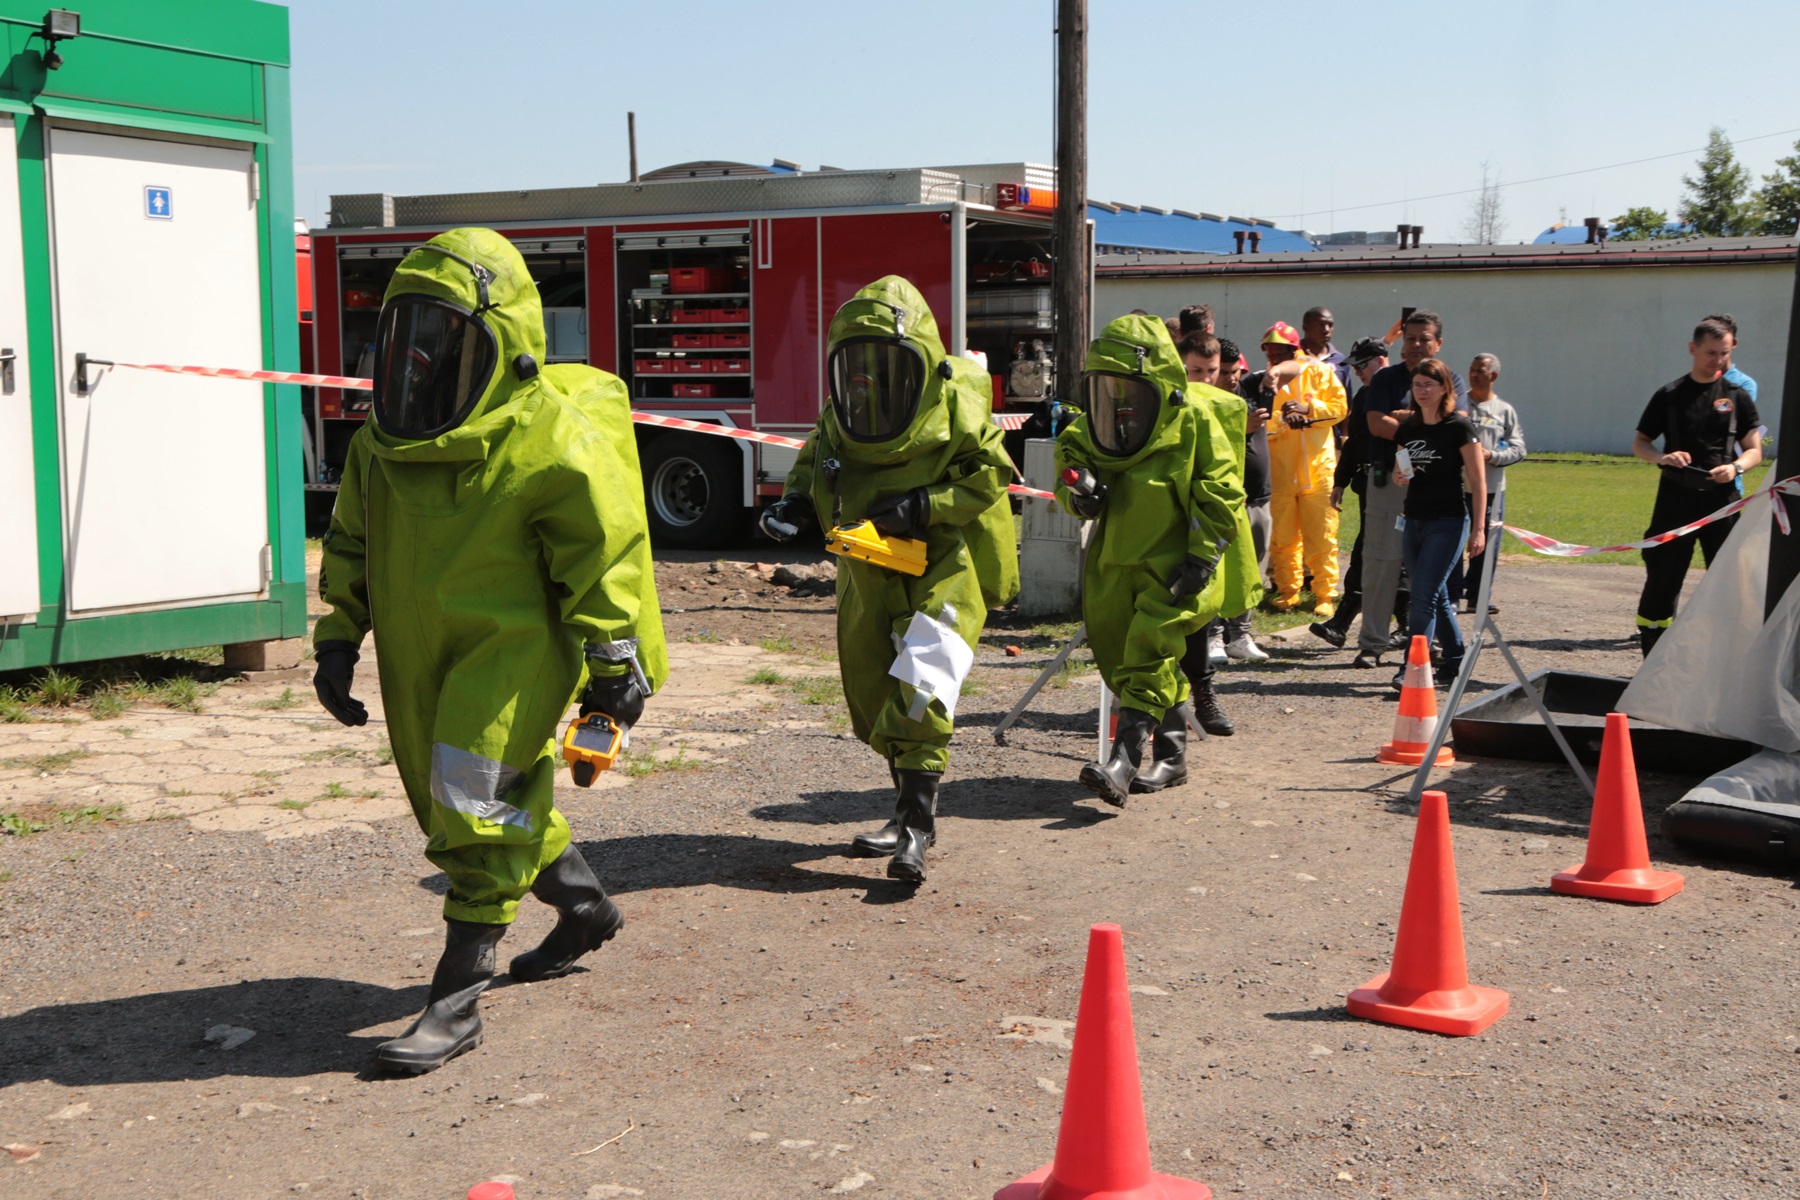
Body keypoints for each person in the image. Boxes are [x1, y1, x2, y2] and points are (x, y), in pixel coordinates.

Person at [312, 228, 668, 1074]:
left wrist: (615, 658)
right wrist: (337, 638)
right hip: (415, 651)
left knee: (474, 794)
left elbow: (604, 554)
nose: (423, 358)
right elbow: (353, 545)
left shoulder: (550, 442)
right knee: (460, 795)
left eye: (445, 337)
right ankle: (584, 911)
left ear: (503, 346)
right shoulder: (382, 445)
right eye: (411, 334)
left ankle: (455, 1001)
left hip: (514, 648)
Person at [761, 276, 1017, 881]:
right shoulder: (844, 414)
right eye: (858, 361)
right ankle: (903, 816)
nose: (869, 375)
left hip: (939, 566)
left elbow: (988, 478)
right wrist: (792, 506)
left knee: (923, 684)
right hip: (868, 567)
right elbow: (815, 462)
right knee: (878, 692)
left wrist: (924, 506)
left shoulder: (955, 409)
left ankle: (917, 829)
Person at [1055, 315, 1244, 803]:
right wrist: (1078, 494)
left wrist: (1202, 560)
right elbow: (1070, 467)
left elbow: (1220, 493)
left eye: (1127, 385)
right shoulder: (1097, 427)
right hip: (1114, 563)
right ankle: (1174, 758)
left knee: (1150, 652)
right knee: (1126, 659)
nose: (1117, 396)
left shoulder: (1194, 423)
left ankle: (1122, 763)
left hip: (1174, 564)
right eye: (1107, 386)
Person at [1630, 316, 1763, 657]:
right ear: (1692, 349)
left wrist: (1734, 467)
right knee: (1663, 578)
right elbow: (1641, 444)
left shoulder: (1737, 396)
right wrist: (1663, 458)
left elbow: (1754, 450)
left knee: (1728, 582)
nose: (1717, 360)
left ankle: (1724, 660)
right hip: (1675, 500)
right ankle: (1654, 657)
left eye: (1724, 353)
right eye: (1710, 352)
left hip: (1723, 501)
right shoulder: (1670, 395)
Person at [1351, 310, 1467, 668]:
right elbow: (1375, 424)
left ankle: (1426, 648)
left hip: (1436, 487)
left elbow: (1459, 422)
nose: (1415, 345)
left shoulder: (1452, 378)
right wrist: (1422, 422)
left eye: (1424, 339)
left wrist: (1402, 418)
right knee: (1379, 561)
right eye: (1410, 338)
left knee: (1429, 577)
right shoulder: (1386, 378)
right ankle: (1372, 642)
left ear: (1438, 343)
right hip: (1389, 480)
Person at [1178, 331, 1268, 734]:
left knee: (1203, 611)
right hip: (1171, 519)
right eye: (1195, 370)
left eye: (1211, 371)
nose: (1204, 379)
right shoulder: (1168, 404)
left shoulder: (1230, 407)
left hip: (1210, 520)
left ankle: (1204, 695)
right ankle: (1155, 701)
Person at [1390, 358, 1487, 689]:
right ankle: (1456, 659)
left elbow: (1478, 481)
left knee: (1423, 595)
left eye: (1429, 385)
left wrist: (1478, 529)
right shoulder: (1408, 429)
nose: (1422, 392)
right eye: (1416, 385)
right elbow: (1401, 470)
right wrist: (1398, 475)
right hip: (1413, 519)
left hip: (1448, 522)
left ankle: (1413, 668)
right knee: (1435, 596)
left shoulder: (1460, 428)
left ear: (1445, 388)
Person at [1311, 337, 1408, 649]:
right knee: (1368, 553)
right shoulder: (1367, 394)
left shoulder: (1405, 391)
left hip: (1401, 484)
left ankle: (1406, 625)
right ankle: (1342, 625)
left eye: (1362, 365)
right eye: (1354, 366)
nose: (1358, 371)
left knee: (1397, 555)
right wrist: (1341, 480)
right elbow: (1354, 443)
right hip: (1371, 484)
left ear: (1381, 359)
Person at [1258, 321, 1347, 615]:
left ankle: (1324, 594)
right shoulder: (1264, 381)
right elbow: (1259, 420)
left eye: (1279, 351)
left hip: (1318, 471)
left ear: (1294, 351)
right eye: (1269, 352)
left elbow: (1340, 409)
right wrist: (1283, 420)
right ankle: (1288, 592)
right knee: (1283, 539)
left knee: (1322, 535)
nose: (1273, 357)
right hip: (1281, 472)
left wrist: (1309, 410)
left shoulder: (1320, 372)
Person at [1448, 354, 1526, 612]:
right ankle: (1452, 594)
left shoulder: (1504, 411)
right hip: (1457, 486)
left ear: (1493, 375)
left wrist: (1492, 456)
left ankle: (1478, 597)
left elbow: (1518, 449)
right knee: (1455, 540)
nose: (1473, 374)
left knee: (1486, 542)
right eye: (1471, 370)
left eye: (1480, 370)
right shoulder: (1459, 404)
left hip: (1491, 488)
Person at [1301, 305, 1353, 404]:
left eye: (1330, 325)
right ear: (1305, 327)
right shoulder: (1292, 355)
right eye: (1320, 325)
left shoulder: (1340, 361)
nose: (1326, 330)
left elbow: (1346, 404)